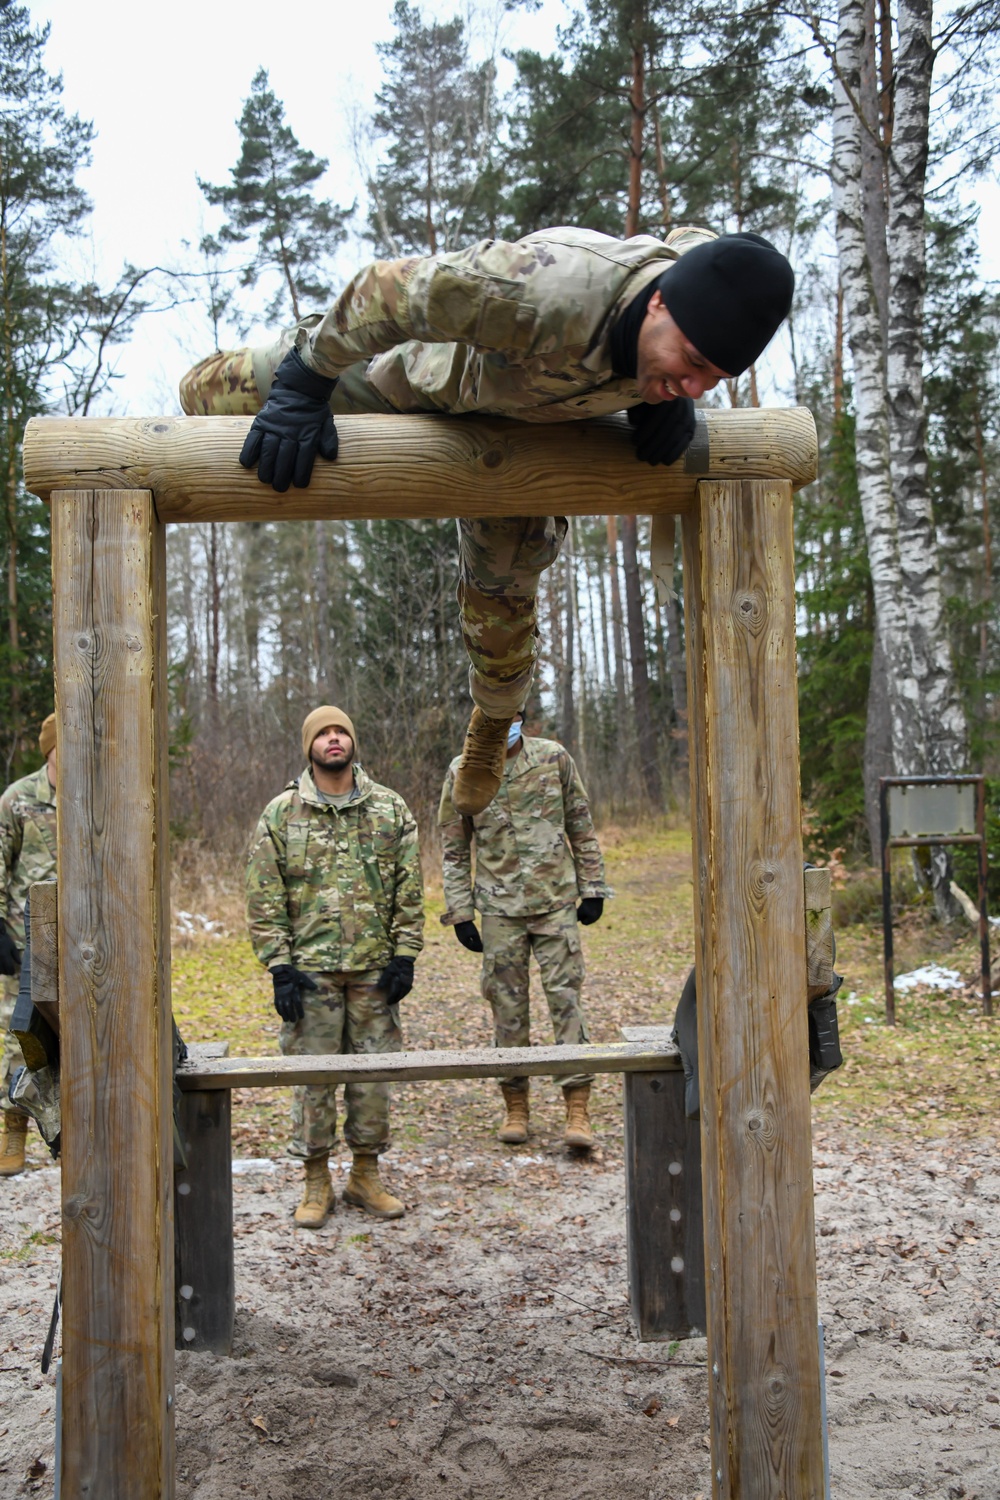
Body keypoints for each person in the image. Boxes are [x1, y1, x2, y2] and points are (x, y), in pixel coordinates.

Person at [180, 226, 795, 818]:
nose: (695, 382)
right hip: (413, 378)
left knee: (504, 590)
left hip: (529, 433)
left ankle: (494, 727)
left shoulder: (690, 297)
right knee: (202, 395)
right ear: (658, 302)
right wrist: (305, 379)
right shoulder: (537, 293)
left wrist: (667, 393)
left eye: (713, 375)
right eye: (689, 361)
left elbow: (700, 244)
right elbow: (388, 289)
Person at [246, 706, 424, 1226]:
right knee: (314, 1079)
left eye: (341, 731)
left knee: (373, 1077)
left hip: (373, 971)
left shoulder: (389, 809)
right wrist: (280, 966)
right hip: (311, 972)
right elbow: (263, 895)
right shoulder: (281, 813)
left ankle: (365, 1175)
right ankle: (316, 1181)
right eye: (323, 733)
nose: (333, 739)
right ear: (309, 746)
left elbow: (409, 888)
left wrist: (405, 955)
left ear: (353, 742)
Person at [438, 710, 611, 1148]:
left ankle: (577, 1109)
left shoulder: (553, 758)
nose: (503, 723)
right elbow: (455, 848)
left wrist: (592, 888)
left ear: (521, 717)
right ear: (478, 720)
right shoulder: (464, 771)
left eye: (510, 715)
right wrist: (460, 913)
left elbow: (581, 824)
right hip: (499, 910)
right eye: (492, 716)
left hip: (555, 903)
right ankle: (516, 1106)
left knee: (566, 1000)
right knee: (507, 1009)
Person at [0, 714, 57, 1177]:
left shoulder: (96, 796)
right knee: (22, 1039)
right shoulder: (18, 800)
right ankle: (12, 1130)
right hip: (27, 944)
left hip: (87, 946)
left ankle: (72, 1130)